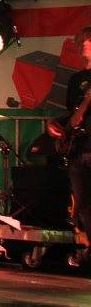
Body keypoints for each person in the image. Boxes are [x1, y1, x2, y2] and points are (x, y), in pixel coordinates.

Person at [53, 27, 91, 264]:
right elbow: (71, 114)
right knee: (83, 204)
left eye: (89, 40)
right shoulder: (76, 79)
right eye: (81, 41)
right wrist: (57, 124)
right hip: (78, 148)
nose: (85, 44)